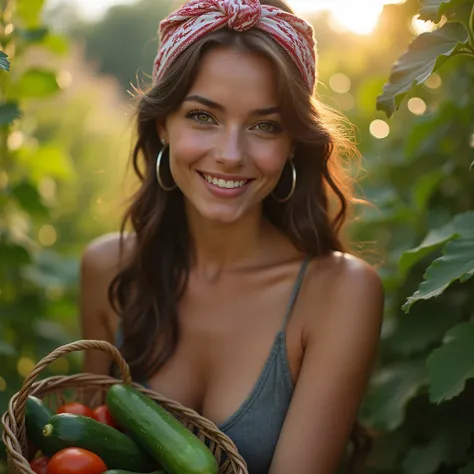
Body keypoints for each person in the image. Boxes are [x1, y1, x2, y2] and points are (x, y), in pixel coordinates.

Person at [80, 0, 384, 473]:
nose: (230, 154)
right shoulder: (107, 271)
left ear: (291, 145)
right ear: (163, 124)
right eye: (204, 116)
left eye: (266, 126)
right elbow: (82, 449)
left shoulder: (340, 294)